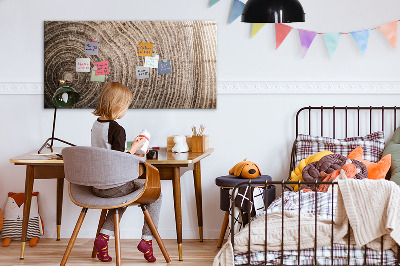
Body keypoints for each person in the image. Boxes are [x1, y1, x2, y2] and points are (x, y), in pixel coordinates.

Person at [91, 82, 161, 263]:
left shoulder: (96, 125)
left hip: (97, 186)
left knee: (121, 197)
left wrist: (131, 149)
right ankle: (147, 240)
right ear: (118, 105)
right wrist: (136, 148)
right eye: (126, 106)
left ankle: (103, 238)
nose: (126, 110)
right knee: (156, 194)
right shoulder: (117, 129)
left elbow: (108, 154)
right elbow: (119, 160)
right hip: (114, 186)